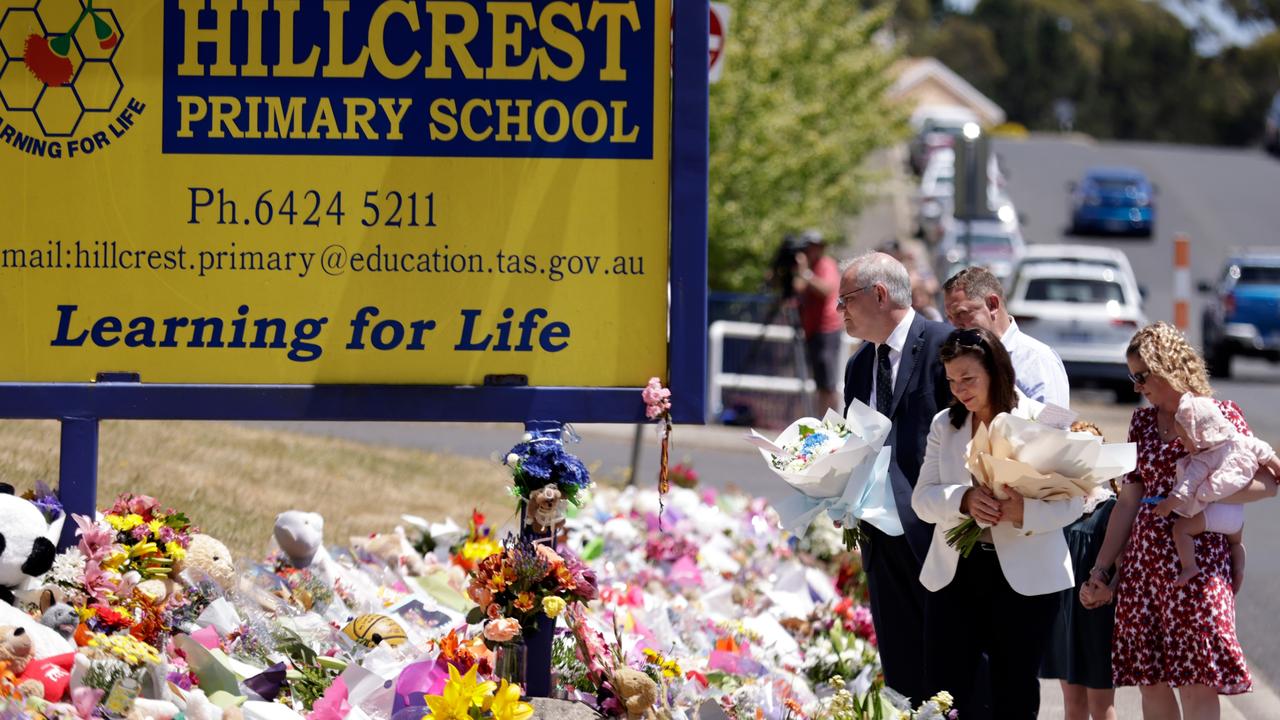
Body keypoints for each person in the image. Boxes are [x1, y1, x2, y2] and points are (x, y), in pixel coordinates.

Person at [1080, 322, 1279, 720]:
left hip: (1198, 564)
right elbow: (1128, 501)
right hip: (1144, 565)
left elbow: (1267, 484)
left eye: (1142, 376)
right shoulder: (1141, 424)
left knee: (1196, 679)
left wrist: (1198, 497)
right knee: (1150, 681)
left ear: (1167, 367)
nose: (1137, 387)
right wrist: (1102, 568)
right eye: (1131, 377)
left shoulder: (1221, 415)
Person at [911, 327, 1084, 718]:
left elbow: (1076, 502)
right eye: (952, 380)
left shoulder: (1046, 419)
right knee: (945, 690)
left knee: (1015, 688)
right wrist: (964, 499)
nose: (959, 390)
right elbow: (922, 500)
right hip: (956, 571)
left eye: (968, 378)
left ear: (997, 371)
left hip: (1026, 578)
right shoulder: (945, 424)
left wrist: (1026, 512)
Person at [839, 251, 953, 702]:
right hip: (879, 539)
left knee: (949, 670)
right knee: (902, 674)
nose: (839, 311)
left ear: (879, 294)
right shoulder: (858, 366)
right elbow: (855, 443)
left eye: (845, 299)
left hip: (936, 535)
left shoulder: (946, 345)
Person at [1155, 392, 1280, 589]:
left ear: (1199, 437)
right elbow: (1266, 453)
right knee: (1236, 544)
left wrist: (1167, 504)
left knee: (1180, 530)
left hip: (1214, 514)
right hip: (1236, 517)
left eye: (1184, 438)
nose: (1181, 443)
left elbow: (1186, 488)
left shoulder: (1202, 460)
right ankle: (1238, 567)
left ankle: (1189, 567)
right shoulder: (1240, 440)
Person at [943, 266, 1069, 408]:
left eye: (961, 313)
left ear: (992, 305)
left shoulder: (1037, 359)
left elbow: (1058, 422)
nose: (954, 324)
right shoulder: (959, 358)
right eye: (950, 317)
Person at [792, 230, 844, 412]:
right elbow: (797, 289)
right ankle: (820, 422)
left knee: (828, 384)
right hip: (812, 330)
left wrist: (805, 273)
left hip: (826, 329)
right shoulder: (808, 268)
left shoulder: (825, 265)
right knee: (820, 383)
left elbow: (826, 289)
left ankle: (829, 427)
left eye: (816, 247)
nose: (812, 251)